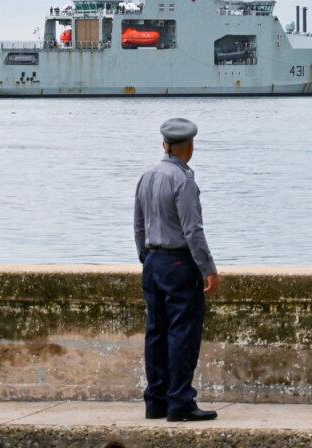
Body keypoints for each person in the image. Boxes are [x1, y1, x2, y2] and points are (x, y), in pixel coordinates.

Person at [134, 118, 221, 422]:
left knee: (155, 333)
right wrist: (207, 268)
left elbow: (138, 224)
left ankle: (156, 401)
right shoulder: (184, 182)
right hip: (179, 263)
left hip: (154, 262)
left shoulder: (146, 177)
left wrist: (146, 257)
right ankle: (180, 402)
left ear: (164, 145)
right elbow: (193, 231)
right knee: (182, 333)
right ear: (190, 148)